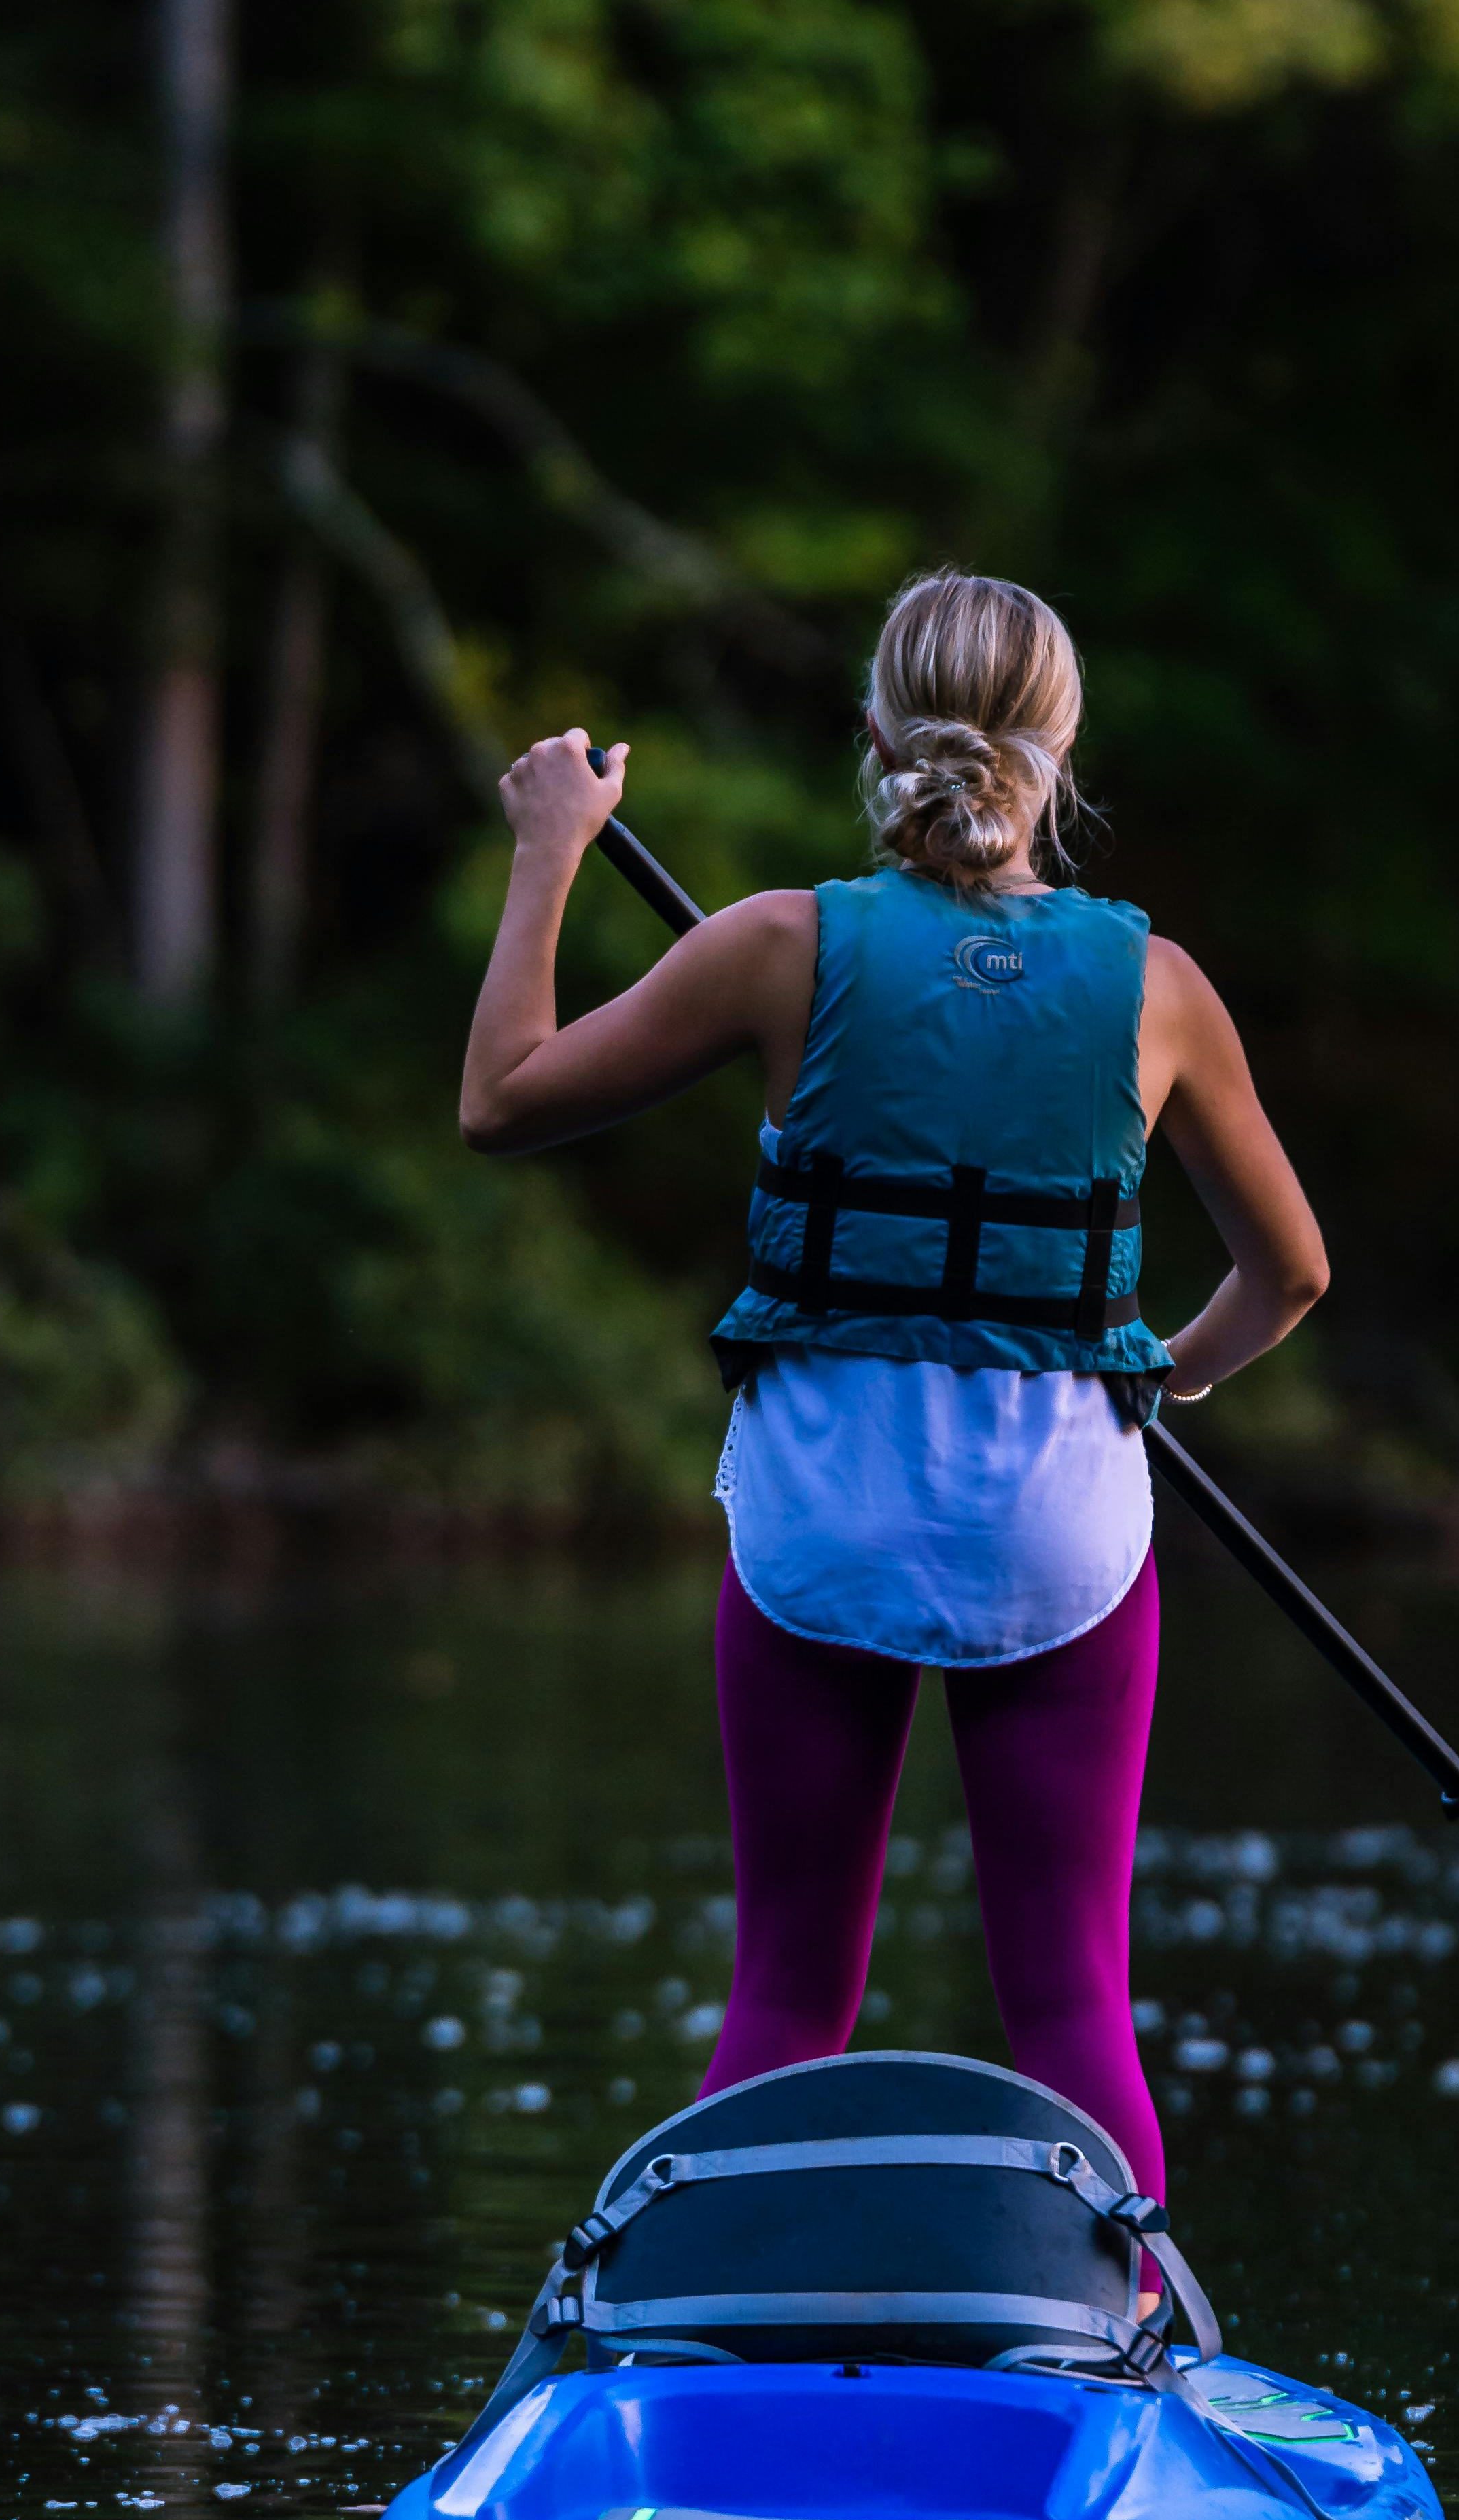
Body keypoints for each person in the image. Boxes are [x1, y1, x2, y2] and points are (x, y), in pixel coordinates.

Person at [458, 569, 1327, 2213]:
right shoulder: (1156, 987)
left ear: (873, 729)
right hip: (1061, 1536)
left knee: (790, 1987)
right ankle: (1127, 2311)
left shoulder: (778, 944)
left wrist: (549, 850)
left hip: (822, 1530)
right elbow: (1288, 1275)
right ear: (1059, 751)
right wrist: (1158, 1380)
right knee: (1066, 1992)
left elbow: (501, 1101)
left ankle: (713, 2321)